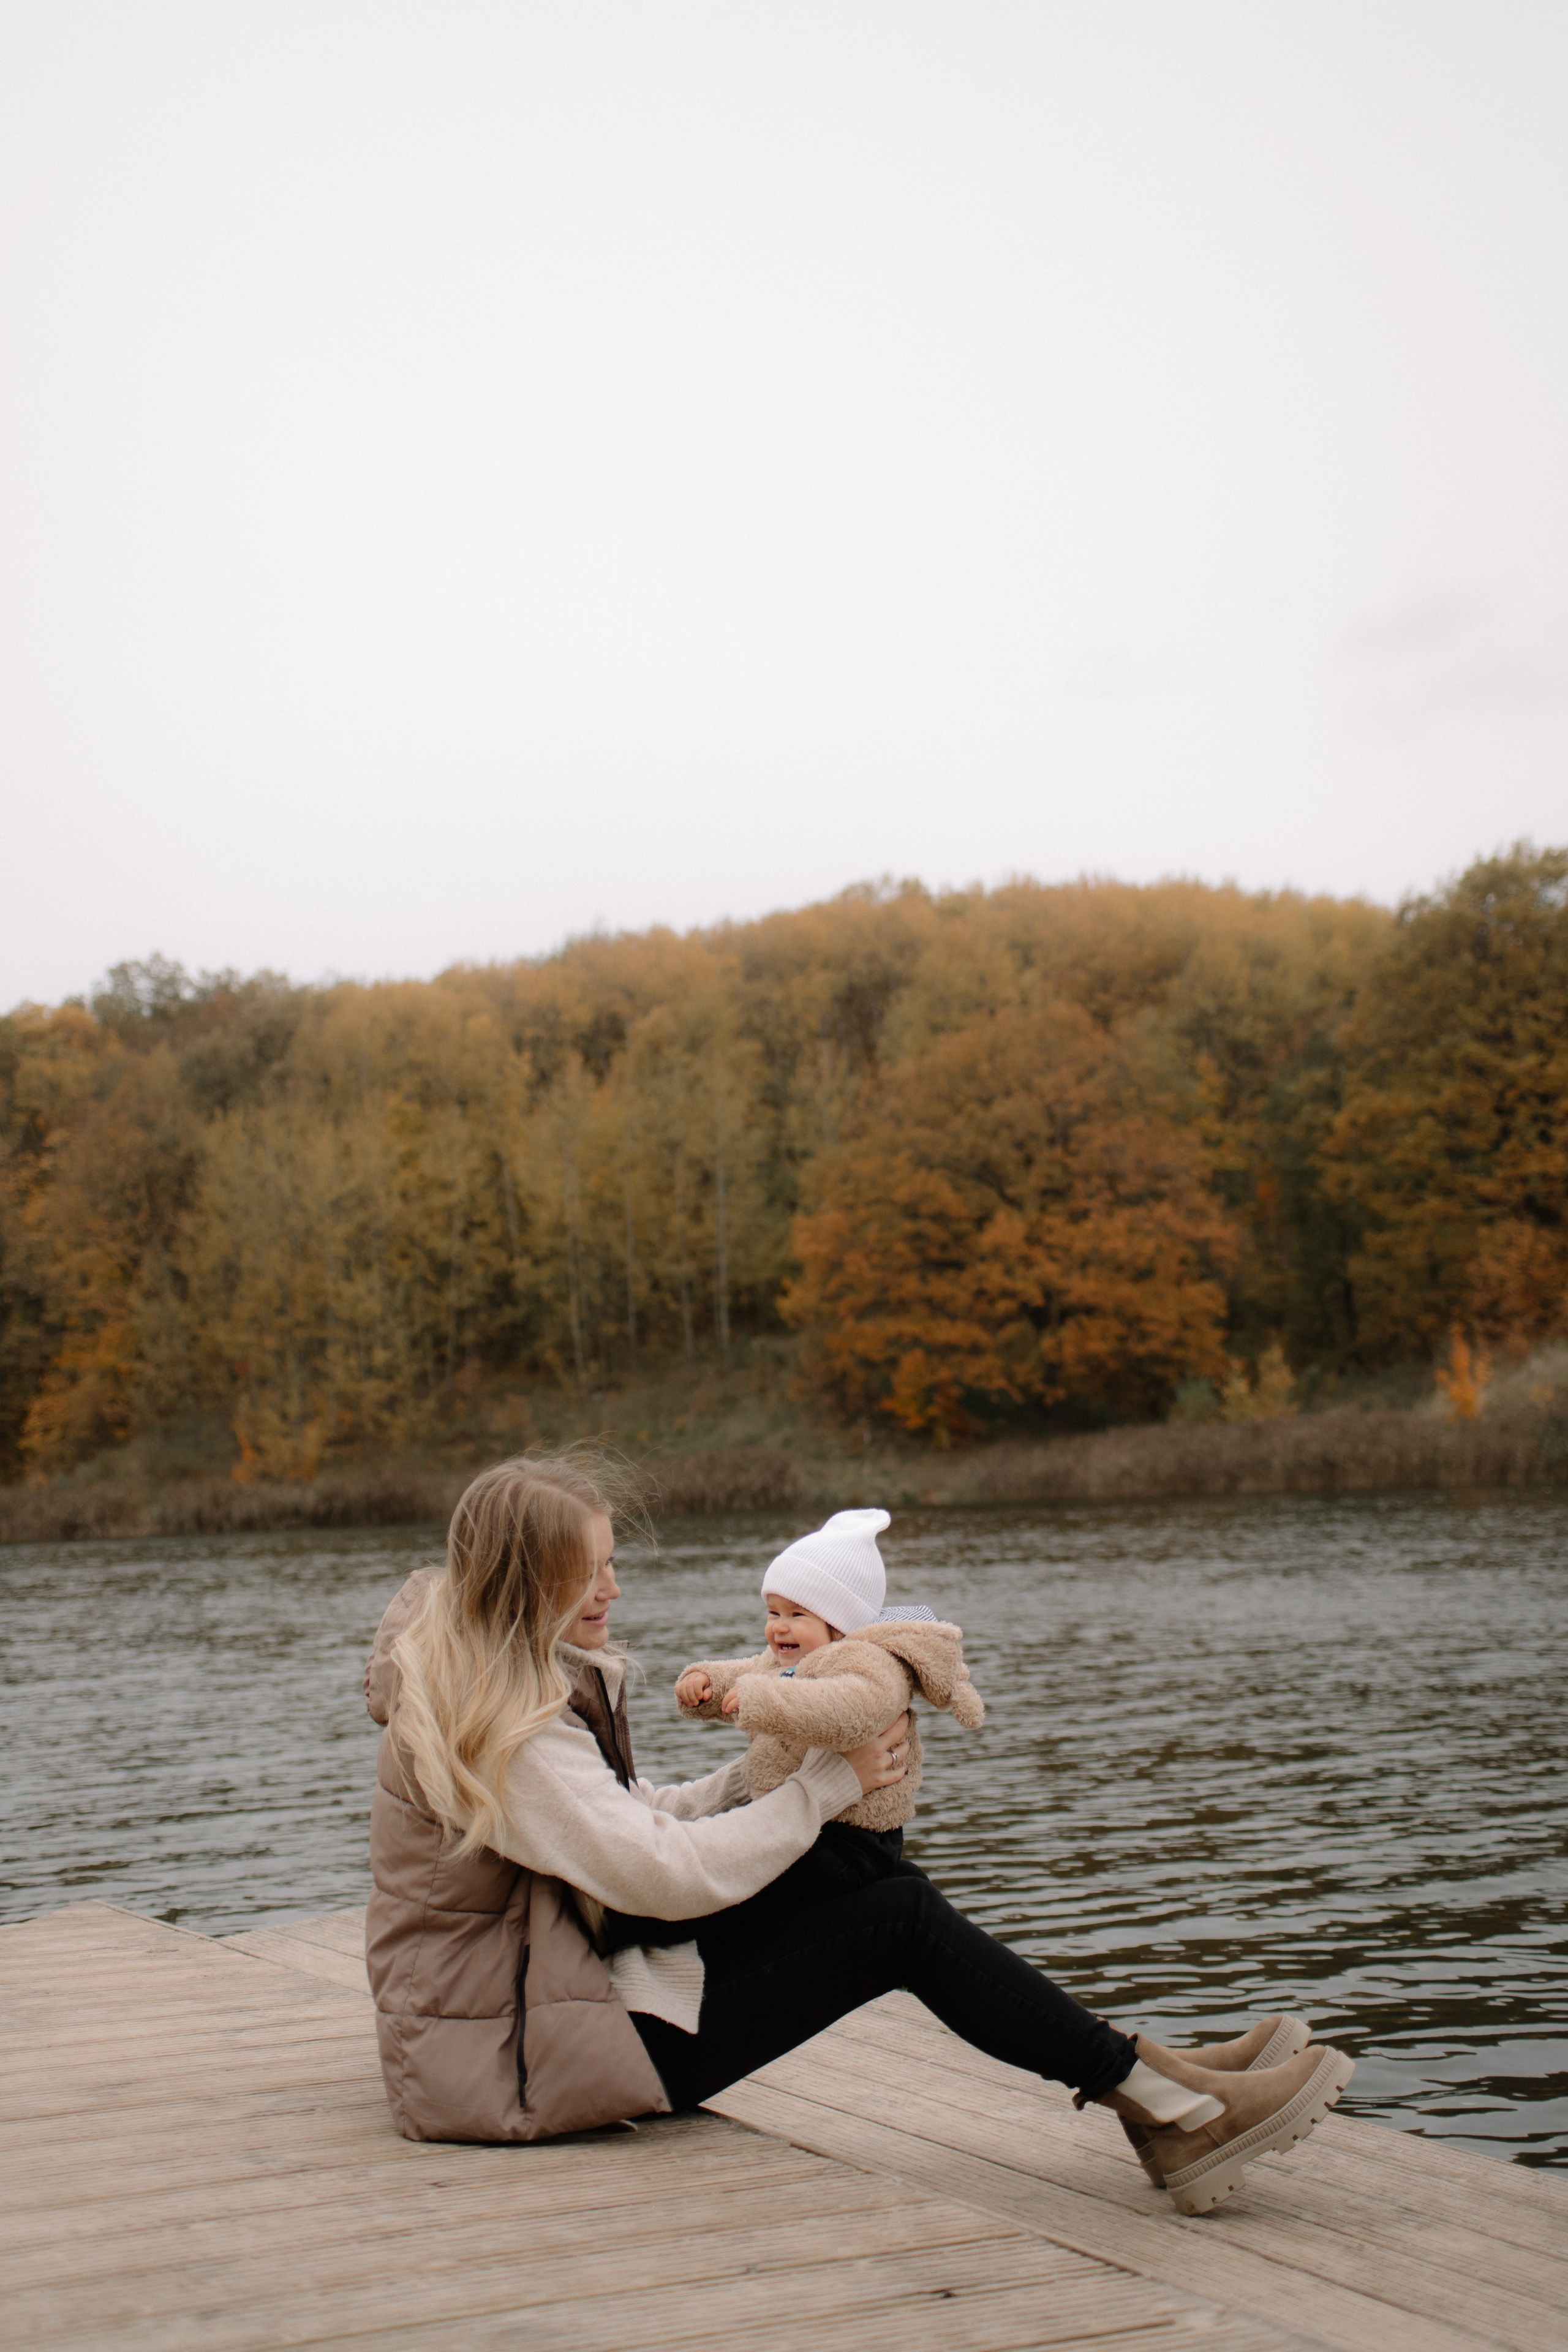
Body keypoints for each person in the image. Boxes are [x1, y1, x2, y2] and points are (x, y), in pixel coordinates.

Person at [363, 1452, 1354, 2215]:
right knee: (896, 1920)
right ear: (526, 1584)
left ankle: (1153, 2082)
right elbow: (659, 1874)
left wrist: (768, 1780)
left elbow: (631, 1821)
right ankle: (1165, 2103)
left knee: (878, 1891)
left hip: (560, 1996)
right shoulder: (509, 1729)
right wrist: (819, 1793)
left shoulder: (494, 1667)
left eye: (611, 1561)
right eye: (592, 1573)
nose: (614, 1591)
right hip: (523, 2058)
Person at [673, 1507, 985, 1838]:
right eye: (773, 1612)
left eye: (796, 1615)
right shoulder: (784, 1661)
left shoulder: (867, 1663)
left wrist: (765, 1700)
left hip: (852, 1831)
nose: (779, 1627)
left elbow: (844, 1710)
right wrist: (706, 1685)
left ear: (838, 1624)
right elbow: (749, 1673)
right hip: (803, 1815)